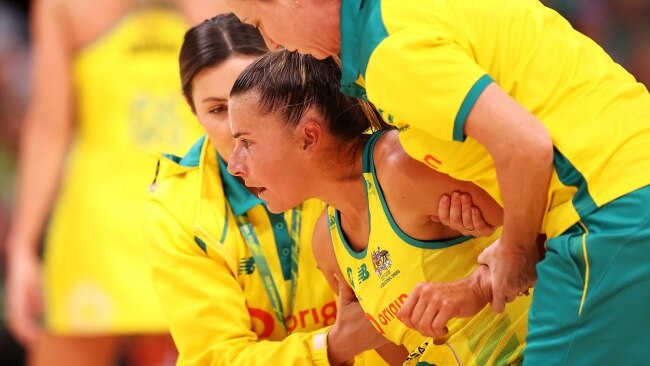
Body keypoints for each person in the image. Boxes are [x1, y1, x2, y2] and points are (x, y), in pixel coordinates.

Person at [223, 1, 650, 363]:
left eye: (260, 24)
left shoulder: (389, 51)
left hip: (609, 204)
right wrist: (484, 277)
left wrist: (513, 254)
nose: (273, 45)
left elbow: (526, 146)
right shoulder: (398, 22)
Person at [226, 49, 532, 365]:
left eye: (246, 142)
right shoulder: (327, 244)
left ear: (308, 136)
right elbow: (407, 358)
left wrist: (479, 284)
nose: (234, 164)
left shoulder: (401, 167)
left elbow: (559, 233)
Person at [146, 14, 405, 365]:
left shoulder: (365, 154)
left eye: (252, 99)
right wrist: (331, 347)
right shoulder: (177, 208)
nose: (237, 125)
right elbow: (216, 357)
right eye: (218, 109)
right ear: (192, 111)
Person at [4, 0, 227, 365]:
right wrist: (23, 246)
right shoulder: (62, 7)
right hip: (100, 229)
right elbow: (48, 128)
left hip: (201, 220)